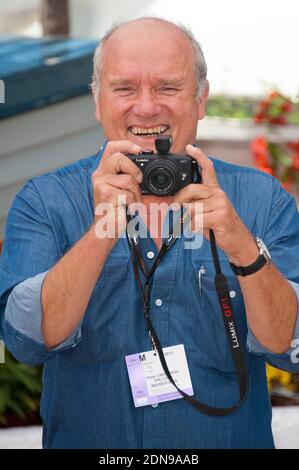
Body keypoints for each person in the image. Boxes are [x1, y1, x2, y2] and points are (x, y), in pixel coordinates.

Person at [0, 17, 299, 449]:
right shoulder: (47, 200)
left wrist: (241, 245)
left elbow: (288, 349)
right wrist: (102, 228)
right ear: (97, 100)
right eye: (124, 88)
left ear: (201, 99)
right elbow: (27, 341)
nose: (146, 107)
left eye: (167, 87)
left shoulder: (259, 199)